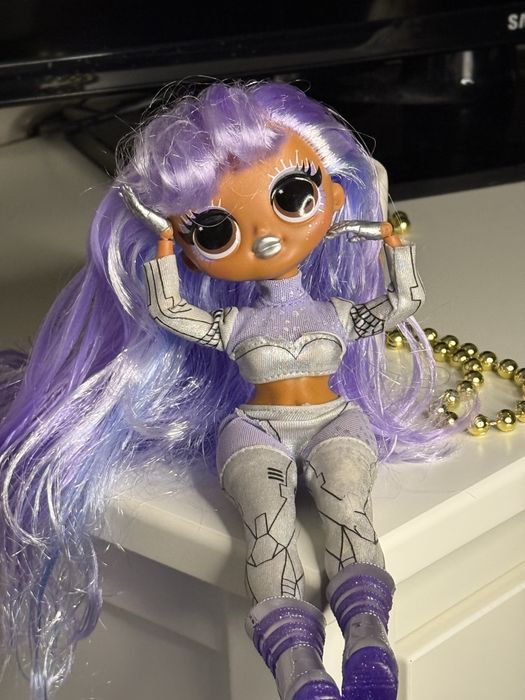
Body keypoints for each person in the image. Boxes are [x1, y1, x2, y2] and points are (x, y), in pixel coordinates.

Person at [0, 81, 452, 700]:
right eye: (215, 231)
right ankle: (297, 667)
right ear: (194, 249)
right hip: (256, 429)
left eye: (292, 196)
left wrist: (393, 245)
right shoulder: (234, 323)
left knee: (350, 511)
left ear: (334, 196)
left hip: (333, 419)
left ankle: (369, 639)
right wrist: (164, 251)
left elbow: (402, 303)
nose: (264, 236)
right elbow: (173, 313)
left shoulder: (337, 313)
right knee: (268, 527)